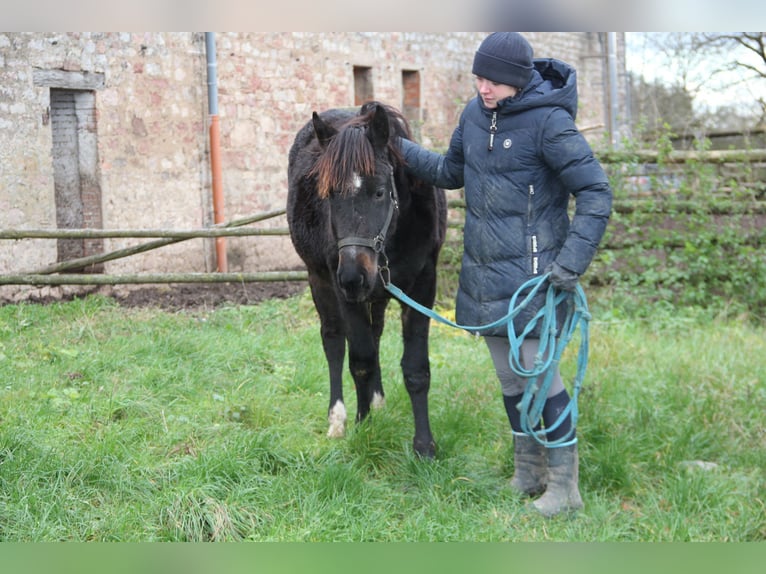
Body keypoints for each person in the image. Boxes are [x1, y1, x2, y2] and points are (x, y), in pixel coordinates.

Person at [399, 32, 612, 517]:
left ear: (516, 80)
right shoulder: (474, 117)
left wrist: (570, 263)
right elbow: (452, 170)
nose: (483, 88)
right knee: (509, 378)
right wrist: (401, 150)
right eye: (478, 78)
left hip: (537, 278)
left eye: (492, 80)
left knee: (539, 377)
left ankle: (565, 489)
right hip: (484, 274)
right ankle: (528, 472)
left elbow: (596, 192)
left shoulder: (550, 123)